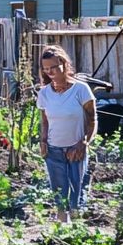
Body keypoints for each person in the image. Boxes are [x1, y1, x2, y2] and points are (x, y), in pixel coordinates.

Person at [36, 45, 95, 223]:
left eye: (53, 67)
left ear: (63, 63)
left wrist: (83, 143)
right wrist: (43, 141)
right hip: (53, 149)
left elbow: (92, 119)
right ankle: (62, 227)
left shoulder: (81, 90)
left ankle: (77, 227)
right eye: (46, 69)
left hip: (75, 147)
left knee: (76, 189)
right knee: (59, 191)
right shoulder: (45, 93)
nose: (50, 72)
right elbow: (45, 121)